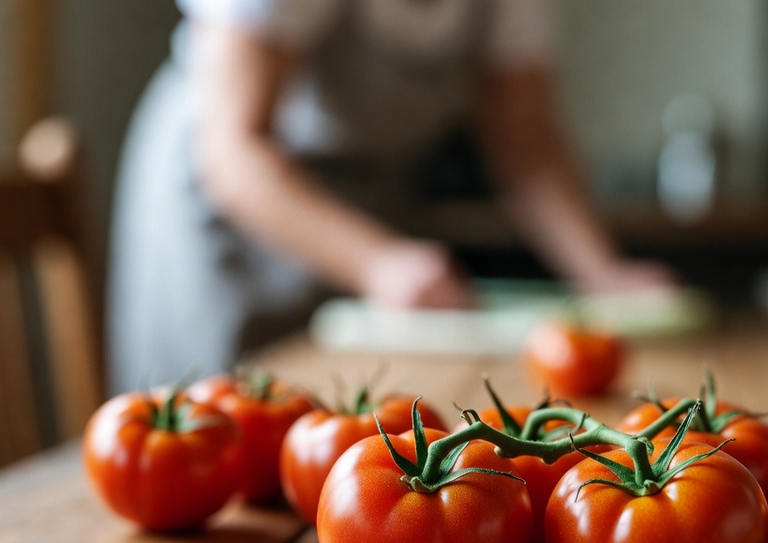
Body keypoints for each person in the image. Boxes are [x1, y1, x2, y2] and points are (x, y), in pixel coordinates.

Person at [108, 0, 673, 393]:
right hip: (225, 219)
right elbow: (235, 152)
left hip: (362, 216)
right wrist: (377, 262)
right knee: (216, 429)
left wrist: (601, 273)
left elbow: (527, 143)